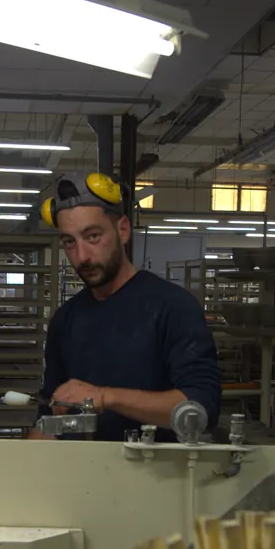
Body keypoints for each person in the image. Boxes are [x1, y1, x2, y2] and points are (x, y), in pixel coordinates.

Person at [32, 174, 221, 441]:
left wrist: (106, 397)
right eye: (69, 242)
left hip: (155, 467)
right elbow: (49, 415)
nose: (82, 256)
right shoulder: (65, 320)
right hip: (81, 466)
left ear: (122, 230)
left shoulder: (173, 307)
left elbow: (202, 407)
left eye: (93, 236)